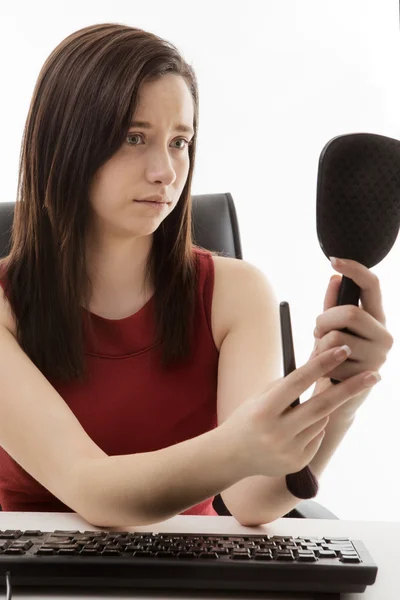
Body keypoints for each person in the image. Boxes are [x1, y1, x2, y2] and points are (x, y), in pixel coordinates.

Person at [0, 23, 393, 528]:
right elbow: (92, 490)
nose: (165, 170)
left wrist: (339, 395)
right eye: (133, 137)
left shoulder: (236, 293)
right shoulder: (7, 307)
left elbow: (253, 500)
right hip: (39, 580)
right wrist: (237, 446)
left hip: (192, 571)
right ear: (64, 144)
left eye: (180, 141)